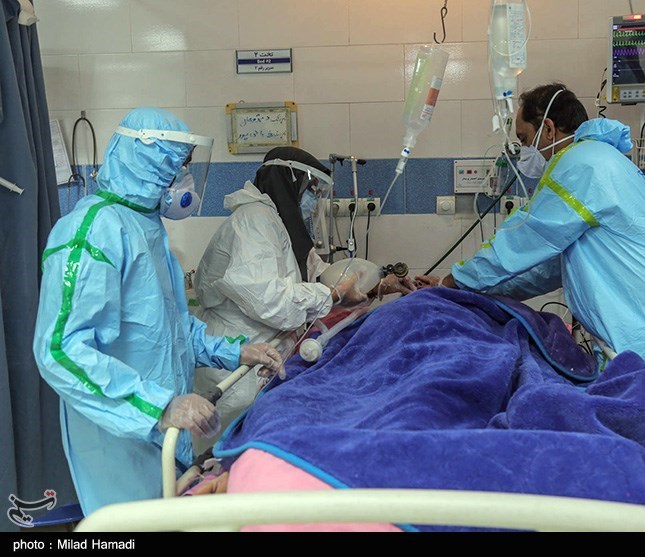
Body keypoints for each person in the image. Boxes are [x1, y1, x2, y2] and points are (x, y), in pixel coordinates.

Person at [32, 107, 284, 515]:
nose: (185, 179)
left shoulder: (145, 228)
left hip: (160, 428)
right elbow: (59, 350)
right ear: (149, 164)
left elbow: (169, 328)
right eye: (180, 167)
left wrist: (236, 351)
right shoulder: (93, 231)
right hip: (119, 432)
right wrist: (158, 407)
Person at [440, 83, 645, 455]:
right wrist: (477, 290)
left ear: (548, 129)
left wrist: (455, 280)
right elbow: (548, 268)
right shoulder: (602, 160)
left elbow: (525, 239)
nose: (524, 152)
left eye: (524, 139)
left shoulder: (582, 163)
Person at [193, 146, 437, 444]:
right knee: (229, 448)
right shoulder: (254, 220)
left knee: (262, 441)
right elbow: (269, 300)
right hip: (237, 357)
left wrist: (378, 286)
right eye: (311, 190)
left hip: (266, 353)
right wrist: (332, 295)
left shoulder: (283, 224)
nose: (314, 199)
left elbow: (321, 276)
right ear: (290, 182)